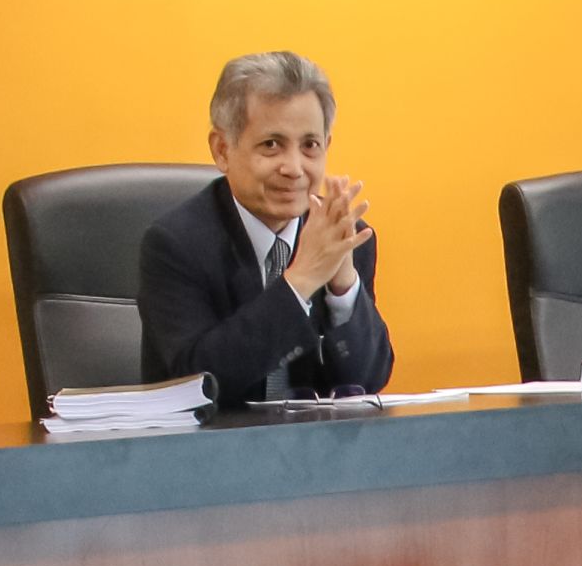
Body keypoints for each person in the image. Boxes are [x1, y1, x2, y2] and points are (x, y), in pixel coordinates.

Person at [139, 48, 393, 402]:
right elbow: (199, 384)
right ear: (222, 150)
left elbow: (367, 380)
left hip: (315, 452)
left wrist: (342, 286)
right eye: (272, 145)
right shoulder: (175, 245)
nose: (294, 168)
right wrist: (300, 281)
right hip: (212, 453)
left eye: (310, 146)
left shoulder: (346, 237)